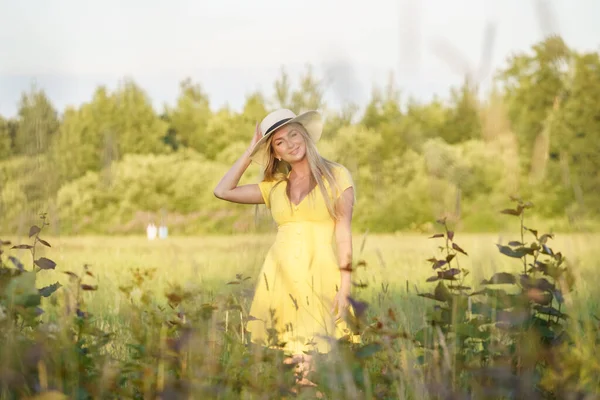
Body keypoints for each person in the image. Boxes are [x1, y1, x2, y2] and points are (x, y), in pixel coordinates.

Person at [213, 108, 356, 387]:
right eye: (280, 142)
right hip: (279, 280)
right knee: (292, 371)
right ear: (275, 153)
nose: (290, 143)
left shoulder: (337, 176)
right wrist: (249, 151)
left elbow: (343, 235)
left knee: (310, 367)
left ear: (304, 135)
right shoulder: (274, 187)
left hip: (320, 278)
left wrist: (346, 287)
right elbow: (223, 190)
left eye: (294, 134)